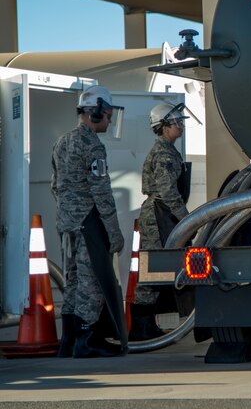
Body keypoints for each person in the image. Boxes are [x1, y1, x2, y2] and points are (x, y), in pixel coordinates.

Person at [51, 85, 127, 358]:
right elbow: (102, 192)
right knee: (89, 279)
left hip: (66, 223)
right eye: (107, 114)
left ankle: (68, 340)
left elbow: (55, 186)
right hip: (86, 222)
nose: (108, 120)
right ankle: (86, 338)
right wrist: (114, 232)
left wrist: (67, 213)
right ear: (97, 113)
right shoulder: (92, 145)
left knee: (71, 280)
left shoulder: (62, 141)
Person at [130, 102, 191, 341]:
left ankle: (147, 324)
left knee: (159, 266)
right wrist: (187, 219)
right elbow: (167, 192)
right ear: (164, 127)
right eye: (176, 122)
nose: (180, 126)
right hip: (158, 215)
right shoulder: (164, 154)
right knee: (153, 267)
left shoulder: (168, 150)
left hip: (163, 213)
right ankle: (141, 326)